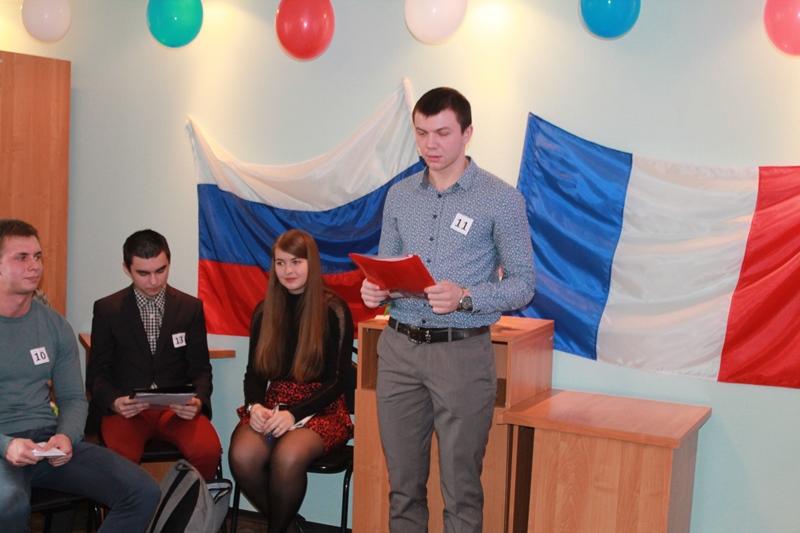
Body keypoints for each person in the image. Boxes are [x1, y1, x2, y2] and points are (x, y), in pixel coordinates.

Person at [360, 87, 536, 532]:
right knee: (403, 489)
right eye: (422, 133)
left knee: (461, 492)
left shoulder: (500, 198)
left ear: (467, 133)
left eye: (442, 133)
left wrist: (466, 297)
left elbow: (523, 284)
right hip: (399, 351)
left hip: (461, 354)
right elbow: (387, 266)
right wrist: (375, 290)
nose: (430, 144)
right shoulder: (400, 196)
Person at [0, 219, 160, 532]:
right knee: (8, 504)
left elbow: (73, 397)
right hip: (4, 445)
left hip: (45, 442)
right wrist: (6, 445)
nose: (34, 266)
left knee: (142, 491)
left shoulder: (55, 326)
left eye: (37, 256)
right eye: (22, 257)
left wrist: (66, 436)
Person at [228, 229, 354, 533]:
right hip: (275, 405)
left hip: (324, 408)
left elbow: (338, 381)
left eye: (296, 262)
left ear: (312, 263)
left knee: (288, 456)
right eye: (280, 263)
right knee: (242, 456)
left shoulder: (334, 309)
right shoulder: (264, 311)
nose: (288, 271)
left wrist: (293, 415)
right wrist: (255, 406)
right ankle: (287, 527)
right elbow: (254, 374)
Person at [85, 229, 222, 480]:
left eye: (161, 270)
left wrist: (198, 402)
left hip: (176, 410)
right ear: (126, 269)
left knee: (208, 451)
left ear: (169, 263)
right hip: (127, 410)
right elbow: (97, 374)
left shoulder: (190, 308)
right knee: (121, 460)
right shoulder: (107, 309)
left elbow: (201, 369)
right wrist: (114, 402)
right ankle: (135, 507)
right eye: (143, 273)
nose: (154, 281)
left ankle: (190, 505)